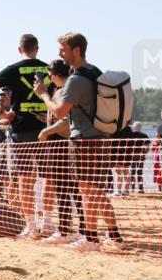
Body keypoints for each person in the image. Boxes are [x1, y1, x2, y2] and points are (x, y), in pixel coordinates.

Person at [36, 32, 122, 252]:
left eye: (63, 50)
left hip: (84, 139)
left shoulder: (76, 79)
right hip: (102, 136)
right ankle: (115, 237)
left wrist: (44, 94)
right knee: (96, 190)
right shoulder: (95, 72)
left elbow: (58, 111)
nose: (59, 54)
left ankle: (91, 239)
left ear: (76, 50)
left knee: (87, 190)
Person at [0, 34, 49, 237]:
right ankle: (50, 224)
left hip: (21, 131)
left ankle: (32, 227)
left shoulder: (13, 69)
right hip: (47, 130)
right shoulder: (49, 68)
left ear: (20, 50)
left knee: (24, 181)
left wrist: (2, 115)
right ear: (37, 48)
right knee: (48, 179)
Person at [37, 59, 84, 244]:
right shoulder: (62, 90)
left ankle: (69, 230)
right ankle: (71, 228)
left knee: (67, 189)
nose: (49, 79)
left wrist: (46, 130)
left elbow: (64, 121)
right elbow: (60, 118)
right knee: (67, 188)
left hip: (63, 144)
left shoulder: (63, 91)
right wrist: (47, 121)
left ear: (55, 75)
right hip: (61, 144)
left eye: (50, 76)